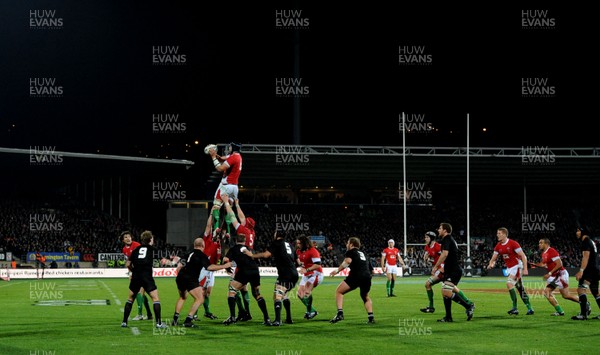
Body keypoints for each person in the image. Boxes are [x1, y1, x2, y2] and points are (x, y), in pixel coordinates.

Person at [172, 238, 232, 327]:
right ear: (203, 246)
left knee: (183, 297)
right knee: (200, 299)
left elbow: (179, 266)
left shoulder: (188, 253)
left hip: (180, 277)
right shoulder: (201, 255)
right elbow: (209, 267)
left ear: (194, 245)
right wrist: (225, 266)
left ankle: (175, 320)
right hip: (190, 278)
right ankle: (188, 320)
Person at [244, 231, 299, 326]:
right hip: (294, 274)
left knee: (277, 296)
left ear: (277, 235)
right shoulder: (290, 245)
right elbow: (297, 261)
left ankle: (278, 320)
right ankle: (289, 318)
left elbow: (266, 255)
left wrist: (252, 255)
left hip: (285, 274)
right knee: (284, 295)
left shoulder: (277, 243)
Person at [221, 233, 272, 326]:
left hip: (244, 271)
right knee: (257, 294)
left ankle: (232, 317)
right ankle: (267, 318)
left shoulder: (233, 249)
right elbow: (256, 259)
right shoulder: (249, 248)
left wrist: (227, 268)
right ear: (245, 241)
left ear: (236, 240)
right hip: (255, 271)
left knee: (232, 291)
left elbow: (225, 259)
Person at [220, 193, 256, 321]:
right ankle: (247, 313)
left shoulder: (243, 230)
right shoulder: (251, 232)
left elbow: (233, 216)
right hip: (249, 261)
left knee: (233, 288)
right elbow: (242, 217)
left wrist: (226, 203)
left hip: (241, 261)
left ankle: (238, 313)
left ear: (246, 224)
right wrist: (237, 204)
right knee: (244, 288)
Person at [121, 230, 166, 328]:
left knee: (130, 298)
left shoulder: (136, 249)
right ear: (150, 240)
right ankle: (158, 323)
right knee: (155, 298)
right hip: (146, 276)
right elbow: (163, 261)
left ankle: (124, 322)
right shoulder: (153, 249)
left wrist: (133, 271)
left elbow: (128, 264)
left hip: (136, 276)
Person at [431, 223, 475, 322]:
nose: (438, 230)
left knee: (446, 291)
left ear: (445, 230)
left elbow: (445, 254)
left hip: (453, 270)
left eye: (440, 228)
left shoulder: (446, 239)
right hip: (450, 269)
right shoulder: (449, 239)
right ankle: (448, 317)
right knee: (445, 293)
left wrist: (436, 266)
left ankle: (468, 306)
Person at [486, 227, 534, 315]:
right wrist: (491, 264)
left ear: (504, 234)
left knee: (509, 283)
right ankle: (530, 308)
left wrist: (525, 269)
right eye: (497, 233)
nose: (497, 235)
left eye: (499, 233)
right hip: (510, 268)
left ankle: (515, 308)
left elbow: (523, 256)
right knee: (520, 289)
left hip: (517, 266)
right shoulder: (498, 246)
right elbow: (493, 259)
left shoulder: (513, 243)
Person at [329, 237, 375, 324]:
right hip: (367, 277)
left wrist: (336, 271)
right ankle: (371, 317)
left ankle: (340, 313)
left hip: (356, 276)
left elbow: (347, 261)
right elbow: (372, 270)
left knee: (339, 292)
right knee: (365, 296)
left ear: (351, 244)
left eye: (347, 243)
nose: (346, 245)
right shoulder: (364, 254)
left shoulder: (350, 252)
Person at [530, 238, 579, 316]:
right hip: (554, 276)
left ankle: (585, 303)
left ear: (546, 244)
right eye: (539, 243)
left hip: (560, 275)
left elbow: (559, 264)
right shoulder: (544, 253)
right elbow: (544, 264)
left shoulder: (551, 251)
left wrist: (549, 273)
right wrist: (535, 264)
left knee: (566, 295)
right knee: (547, 292)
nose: (539, 244)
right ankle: (560, 311)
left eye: (541, 243)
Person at [206, 142, 243, 236]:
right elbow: (223, 158)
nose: (228, 148)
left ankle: (216, 229)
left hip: (226, 186)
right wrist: (216, 154)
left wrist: (213, 157)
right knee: (228, 209)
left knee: (216, 206)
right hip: (234, 187)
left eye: (230, 147)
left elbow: (219, 168)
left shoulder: (233, 157)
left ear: (233, 148)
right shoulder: (237, 156)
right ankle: (228, 232)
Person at [120, 231, 153, 321]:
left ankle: (140, 315)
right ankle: (149, 314)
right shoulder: (124, 249)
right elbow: (129, 262)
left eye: (129, 236)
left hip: (142, 272)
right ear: (123, 240)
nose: (128, 238)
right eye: (126, 237)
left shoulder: (136, 245)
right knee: (142, 293)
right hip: (136, 272)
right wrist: (130, 273)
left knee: (139, 292)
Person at [572, 227, 600, 320]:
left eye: (578, 230)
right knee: (596, 292)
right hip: (596, 269)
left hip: (589, 270)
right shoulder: (591, 241)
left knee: (581, 290)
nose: (577, 233)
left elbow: (585, 257)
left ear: (583, 232)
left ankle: (583, 314)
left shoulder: (585, 241)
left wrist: (581, 270)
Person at [296, 234, 324, 320]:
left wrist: (306, 270)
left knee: (307, 292)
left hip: (316, 274)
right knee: (300, 294)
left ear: (304, 243)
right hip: (306, 274)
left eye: (299, 243)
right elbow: (297, 258)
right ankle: (312, 311)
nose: (297, 245)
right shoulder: (298, 251)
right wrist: (300, 264)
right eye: (297, 243)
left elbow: (317, 265)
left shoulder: (313, 251)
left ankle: (309, 312)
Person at [421, 231, 443, 313]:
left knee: (428, 284)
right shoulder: (427, 247)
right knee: (451, 289)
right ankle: (431, 307)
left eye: (427, 237)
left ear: (432, 238)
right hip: (437, 269)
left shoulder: (438, 247)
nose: (425, 239)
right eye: (425, 237)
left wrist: (439, 268)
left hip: (442, 269)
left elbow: (444, 258)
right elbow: (427, 256)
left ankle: (431, 307)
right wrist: (426, 259)